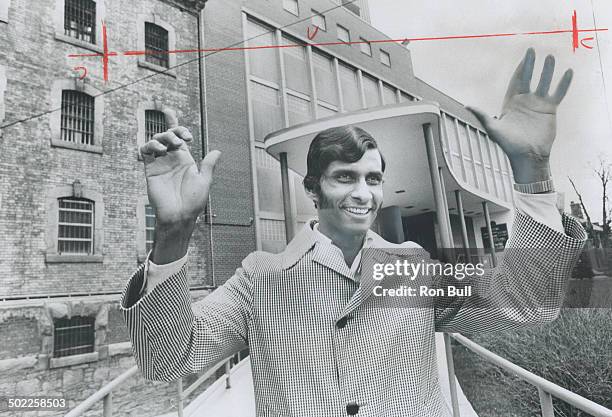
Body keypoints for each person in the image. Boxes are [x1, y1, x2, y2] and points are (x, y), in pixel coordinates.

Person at [121, 49, 586, 416]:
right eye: (345, 177)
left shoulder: (415, 268)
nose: (363, 192)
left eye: (373, 178)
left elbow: (528, 302)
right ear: (313, 189)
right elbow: (166, 361)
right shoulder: (258, 279)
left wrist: (532, 171)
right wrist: (174, 234)